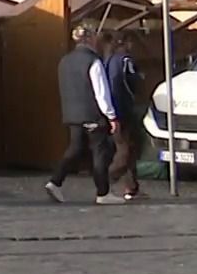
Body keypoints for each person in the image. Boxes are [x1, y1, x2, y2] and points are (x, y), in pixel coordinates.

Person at [46, 26, 119, 205]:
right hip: (92, 114)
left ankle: (55, 181)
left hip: (72, 114)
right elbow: (101, 92)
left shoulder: (64, 61)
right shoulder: (93, 61)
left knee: (75, 149)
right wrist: (111, 116)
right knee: (100, 152)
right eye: (94, 36)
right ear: (88, 39)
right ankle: (103, 192)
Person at [104, 31, 147, 200]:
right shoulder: (125, 60)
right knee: (126, 150)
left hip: (113, 110)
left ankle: (131, 187)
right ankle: (106, 180)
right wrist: (139, 79)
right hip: (124, 110)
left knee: (128, 148)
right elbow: (130, 82)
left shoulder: (107, 60)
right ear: (126, 43)